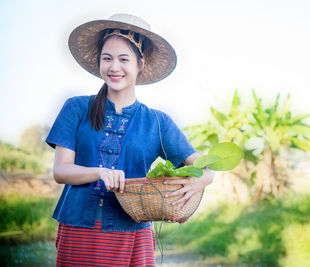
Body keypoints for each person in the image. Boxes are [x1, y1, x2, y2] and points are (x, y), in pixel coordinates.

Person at [46, 13, 215, 266]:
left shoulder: (158, 122)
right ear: (99, 63)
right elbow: (61, 171)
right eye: (107, 59)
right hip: (79, 228)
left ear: (140, 63)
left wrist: (200, 181)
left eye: (123, 59)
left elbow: (205, 167)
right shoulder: (77, 108)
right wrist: (100, 172)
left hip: (133, 232)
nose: (114, 67)